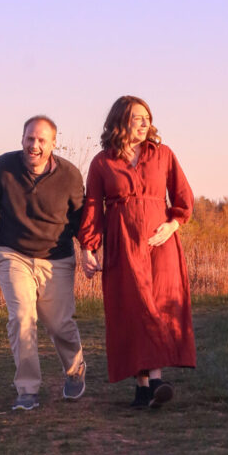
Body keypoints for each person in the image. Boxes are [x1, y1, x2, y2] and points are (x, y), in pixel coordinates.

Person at [78, 96, 196, 408]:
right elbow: (93, 208)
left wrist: (172, 226)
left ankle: (152, 383)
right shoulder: (102, 162)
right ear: (120, 121)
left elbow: (183, 197)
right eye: (136, 118)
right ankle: (144, 385)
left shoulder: (163, 155)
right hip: (122, 246)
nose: (144, 124)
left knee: (158, 306)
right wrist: (89, 248)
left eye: (147, 118)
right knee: (132, 309)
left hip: (161, 246)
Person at [0, 115, 87, 411]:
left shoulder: (70, 175)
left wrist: (89, 250)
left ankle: (75, 369)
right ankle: (27, 389)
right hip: (13, 254)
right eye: (30, 139)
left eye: (41, 140)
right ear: (22, 139)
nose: (34, 145)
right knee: (22, 318)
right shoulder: (3, 168)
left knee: (58, 324)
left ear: (53, 144)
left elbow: (80, 221)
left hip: (57, 258)